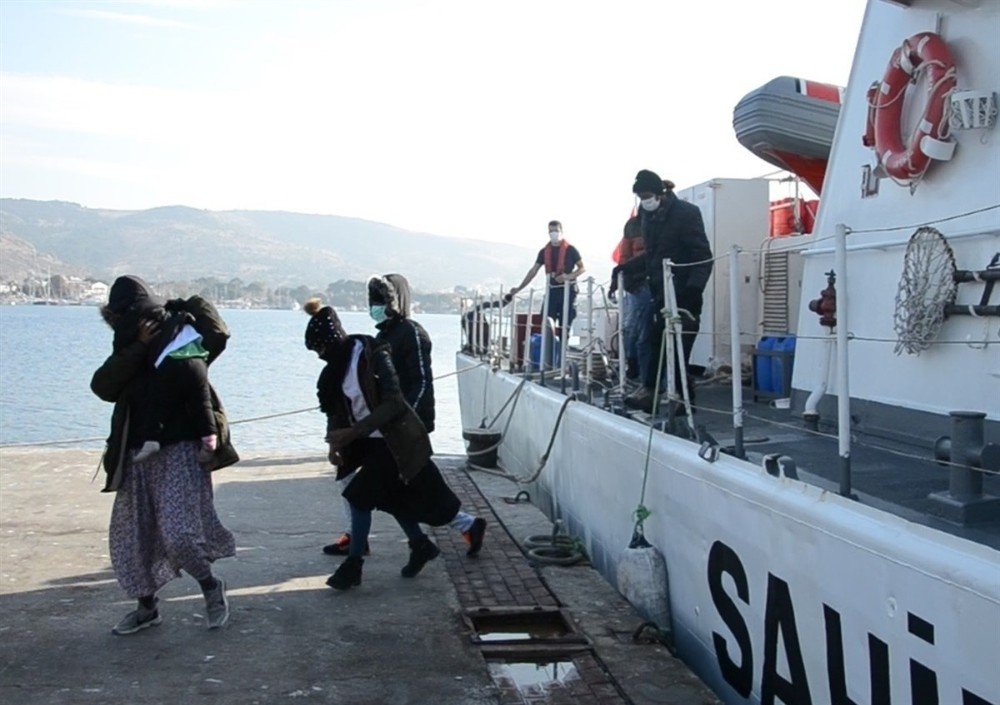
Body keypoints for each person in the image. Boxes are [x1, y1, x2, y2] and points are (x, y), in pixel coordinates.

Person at [91, 275, 236, 635]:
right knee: (133, 536)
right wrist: (140, 345)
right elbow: (102, 386)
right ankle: (146, 608)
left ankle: (210, 586)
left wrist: (183, 306)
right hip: (137, 453)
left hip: (181, 450)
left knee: (179, 534)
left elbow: (218, 334)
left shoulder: (182, 340)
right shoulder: (129, 349)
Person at [322, 276, 487, 558]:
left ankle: (454, 529)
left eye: (380, 301)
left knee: (407, 486)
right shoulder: (383, 336)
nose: (374, 307)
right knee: (399, 485)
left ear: (395, 301)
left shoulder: (412, 334)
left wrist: (406, 423)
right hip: (388, 425)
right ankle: (451, 530)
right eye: (371, 302)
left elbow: (421, 382)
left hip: (407, 425)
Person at [305, 299, 464, 591]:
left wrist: (354, 432)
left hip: (395, 439)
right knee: (392, 499)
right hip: (368, 443)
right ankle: (420, 545)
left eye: (321, 349)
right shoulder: (333, 371)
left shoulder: (376, 354)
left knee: (358, 497)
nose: (320, 357)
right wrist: (335, 445)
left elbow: (394, 402)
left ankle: (354, 565)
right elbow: (333, 409)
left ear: (333, 341)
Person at [626, 171, 713, 413]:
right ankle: (650, 391)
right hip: (660, 291)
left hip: (684, 291)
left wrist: (694, 290)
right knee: (652, 341)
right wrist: (626, 268)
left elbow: (702, 256)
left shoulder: (687, 213)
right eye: (641, 197)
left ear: (660, 194)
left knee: (679, 347)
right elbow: (653, 254)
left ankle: (683, 400)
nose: (645, 201)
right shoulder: (647, 214)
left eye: (647, 196)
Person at [508, 220, 586, 328]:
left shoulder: (571, 250)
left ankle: (564, 342)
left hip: (568, 291)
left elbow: (582, 268)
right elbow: (533, 271)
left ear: (561, 232)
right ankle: (549, 343)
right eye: (551, 231)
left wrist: (568, 277)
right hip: (552, 291)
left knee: (566, 323)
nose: (553, 233)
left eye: (556, 230)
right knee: (547, 321)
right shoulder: (543, 252)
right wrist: (519, 288)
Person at [608, 215, 652, 383]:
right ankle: (635, 367)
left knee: (640, 328)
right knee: (635, 327)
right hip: (637, 284)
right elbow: (626, 257)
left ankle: (640, 369)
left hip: (649, 281)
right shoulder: (634, 226)